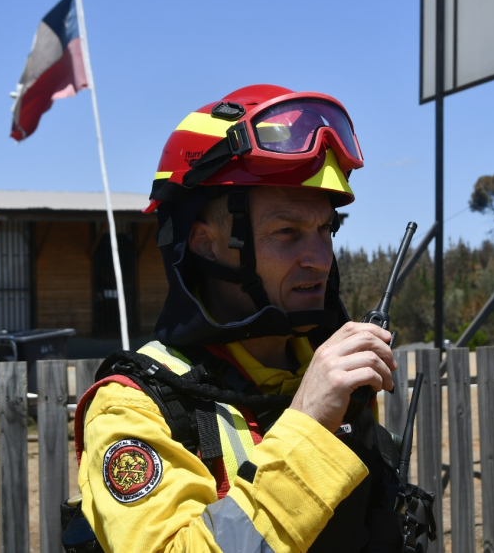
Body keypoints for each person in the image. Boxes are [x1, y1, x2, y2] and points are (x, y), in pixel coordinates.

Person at [68, 85, 433, 553]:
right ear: (206, 244)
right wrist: (307, 426)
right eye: (287, 231)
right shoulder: (134, 408)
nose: (319, 259)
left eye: (326, 229)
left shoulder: (334, 376)